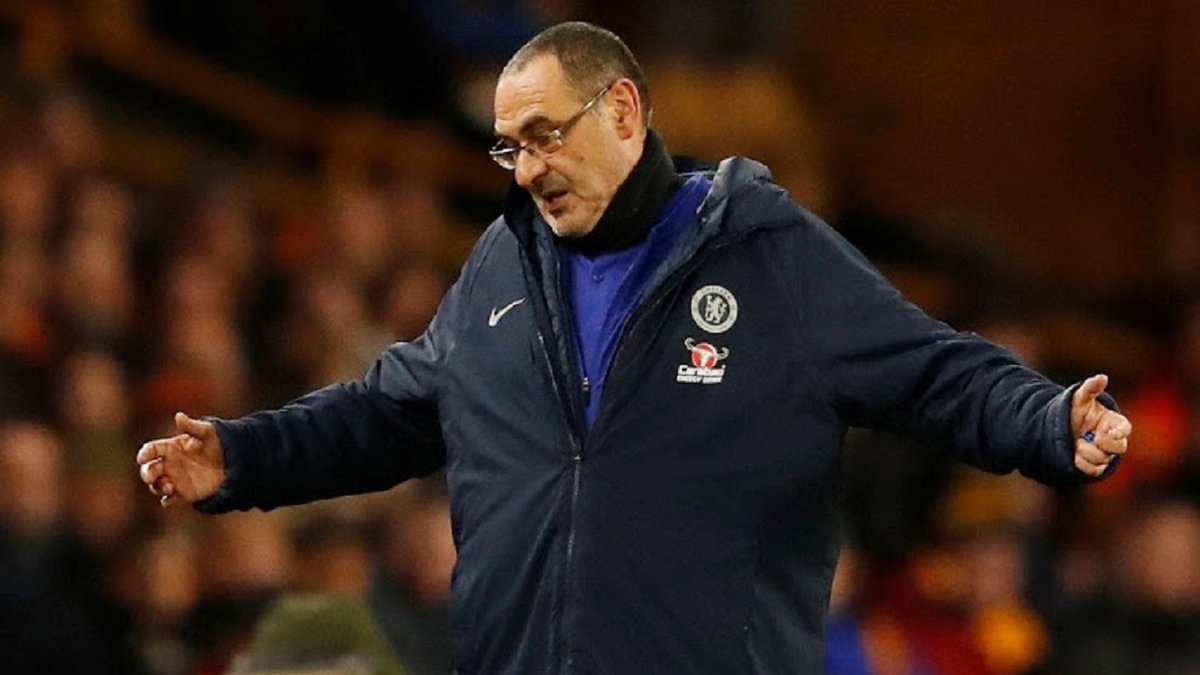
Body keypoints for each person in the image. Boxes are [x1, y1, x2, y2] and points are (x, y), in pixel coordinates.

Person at [136, 21, 1132, 674]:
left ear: (622, 110)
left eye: (545, 135)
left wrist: (1046, 419)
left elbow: (931, 371)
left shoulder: (767, 253)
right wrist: (245, 456)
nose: (526, 170)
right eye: (508, 146)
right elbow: (394, 410)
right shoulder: (501, 265)